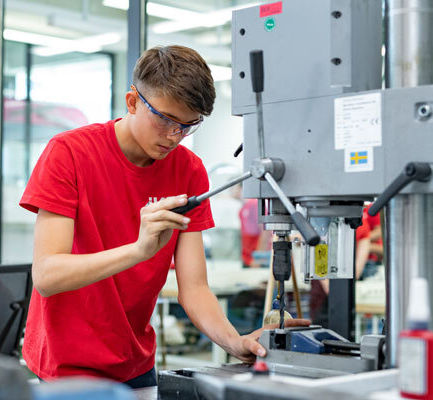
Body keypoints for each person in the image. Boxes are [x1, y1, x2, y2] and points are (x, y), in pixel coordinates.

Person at [19, 45, 309, 388]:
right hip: (67, 367)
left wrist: (235, 342)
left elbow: (195, 288)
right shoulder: (69, 153)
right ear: (132, 102)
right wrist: (138, 251)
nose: (175, 136)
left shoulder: (188, 171)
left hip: (136, 362)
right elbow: (47, 274)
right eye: (165, 120)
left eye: (188, 126)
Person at [309, 214, 371, 326]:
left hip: (340, 280)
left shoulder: (357, 219)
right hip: (325, 285)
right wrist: (327, 282)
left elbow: (364, 243)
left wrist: (350, 278)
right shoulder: (321, 218)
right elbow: (317, 245)